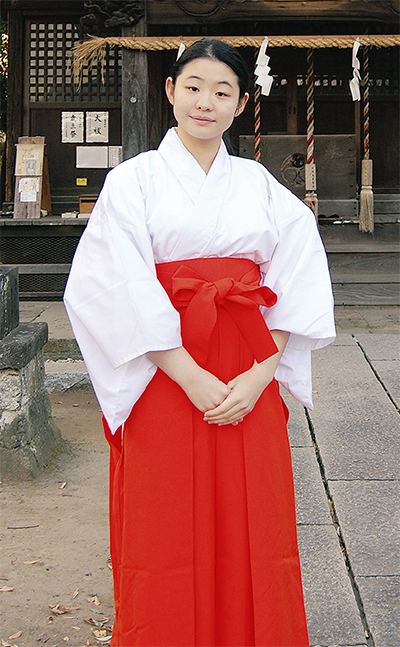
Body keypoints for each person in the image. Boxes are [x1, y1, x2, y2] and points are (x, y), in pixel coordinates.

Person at [64, 38, 336, 647]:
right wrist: (185, 373)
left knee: (254, 512)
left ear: (241, 104)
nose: (205, 103)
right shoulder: (133, 182)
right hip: (163, 366)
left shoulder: (258, 183)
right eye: (193, 87)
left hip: (246, 357)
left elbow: (298, 270)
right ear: (170, 92)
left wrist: (266, 371)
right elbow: (113, 283)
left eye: (222, 92)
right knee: (164, 515)